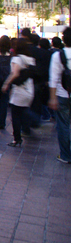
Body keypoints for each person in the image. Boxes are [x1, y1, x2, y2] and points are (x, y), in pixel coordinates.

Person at [2, 38, 35, 148]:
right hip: (30, 89)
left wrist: (6, 83)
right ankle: (28, 127)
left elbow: (15, 73)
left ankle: (17, 139)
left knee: (15, 115)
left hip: (20, 90)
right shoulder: (30, 58)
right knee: (24, 112)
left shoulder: (17, 59)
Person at [48, 27, 71, 164]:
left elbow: (53, 79)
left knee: (63, 125)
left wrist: (52, 97)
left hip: (62, 95)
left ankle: (65, 155)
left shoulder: (58, 55)